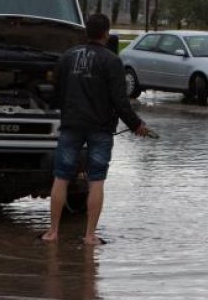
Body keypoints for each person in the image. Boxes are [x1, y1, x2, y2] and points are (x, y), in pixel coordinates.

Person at [41, 13, 151, 245]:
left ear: (86, 32)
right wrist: (137, 125)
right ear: (106, 33)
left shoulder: (67, 57)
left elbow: (55, 95)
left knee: (60, 178)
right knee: (96, 180)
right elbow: (120, 101)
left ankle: (53, 233)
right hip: (100, 129)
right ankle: (90, 235)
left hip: (71, 126)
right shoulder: (112, 61)